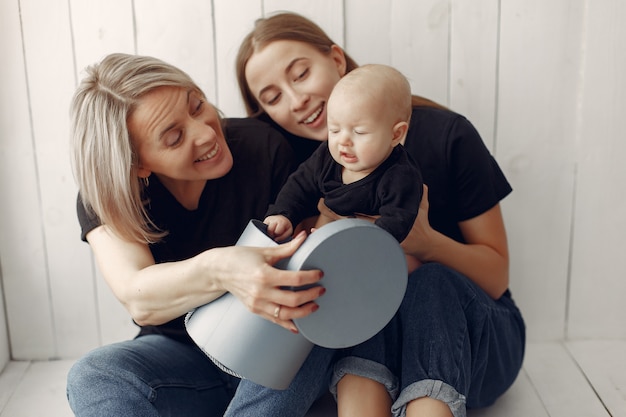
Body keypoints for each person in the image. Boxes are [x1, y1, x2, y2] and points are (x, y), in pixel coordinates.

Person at [227, 11, 526, 417]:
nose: (297, 102)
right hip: (372, 336)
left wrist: (428, 243)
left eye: (300, 74)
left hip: (479, 341)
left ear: (335, 60)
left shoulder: (445, 136)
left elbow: (496, 277)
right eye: (273, 97)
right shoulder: (305, 167)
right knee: (369, 296)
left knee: (427, 281)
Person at [65, 52, 331, 417]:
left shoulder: (263, 147)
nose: (207, 133)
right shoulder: (110, 197)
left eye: (197, 105)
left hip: (271, 345)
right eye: (174, 137)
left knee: (310, 332)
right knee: (92, 375)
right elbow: (138, 298)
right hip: (181, 356)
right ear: (138, 163)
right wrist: (222, 268)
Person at [264, 63, 422, 245]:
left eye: (360, 132)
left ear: (395, 135)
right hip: (328, 236)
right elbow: (299, 186)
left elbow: (395, 226)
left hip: (374, 249)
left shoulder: (400, 177)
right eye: (334, 130)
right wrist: (283, 215)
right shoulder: (327, 157)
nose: (343, 141)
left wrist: (345, 243)